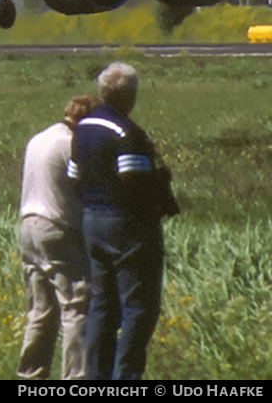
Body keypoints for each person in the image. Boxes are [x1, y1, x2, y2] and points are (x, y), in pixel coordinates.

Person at [72, 63, 176, 380]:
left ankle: (94, 375)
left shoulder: (83, 127)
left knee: (102, 304)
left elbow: (73, 177)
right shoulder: (127, 133)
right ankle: (126, 376)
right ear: (129, 95)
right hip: (127, 222)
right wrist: (156, 202)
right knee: (138, 307)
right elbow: (134, 179)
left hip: (92, 218)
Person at [17, 95, 95, 380]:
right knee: (76, 305)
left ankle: (29, 376)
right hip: (58, 226)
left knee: (40, 310)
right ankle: (76, 378)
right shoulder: (71, 144)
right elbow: (83, 185)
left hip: (28, 225)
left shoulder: (37, 139)